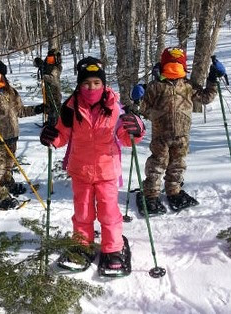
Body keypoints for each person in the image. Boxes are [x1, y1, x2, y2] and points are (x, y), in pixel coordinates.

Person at [40, 56, 145, 276]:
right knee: (83, 212)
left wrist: (137, 128)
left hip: (107, 171)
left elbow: (128, 138)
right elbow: (62, 135)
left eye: (96, 83)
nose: (91, 87)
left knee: (108, 212)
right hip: (81, 171)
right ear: (80, 85)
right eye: (87, 83)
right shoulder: (71, 107)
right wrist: (51, 136)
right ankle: (82, 245)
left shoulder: (114, 107)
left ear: (104, 84)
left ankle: (113, 249)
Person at [136, 47, 225, 214]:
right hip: (161, 136)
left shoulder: (188, 86)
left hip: (182, 136)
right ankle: (151, 195)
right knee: (157, 164)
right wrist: (140, 98)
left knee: (178, 165)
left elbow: (206, 98)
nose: (174, 68)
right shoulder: (156, 86)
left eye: (177, 65)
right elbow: (143, 108)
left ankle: (173, 191)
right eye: (171, 64)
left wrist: (212, 79)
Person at [0, 57, 44, 210]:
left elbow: (21, 111)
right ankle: (1, 195)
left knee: (9, 165)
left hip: (12, 136)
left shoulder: (9, 91)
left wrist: (38, 109)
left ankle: (8, 183)